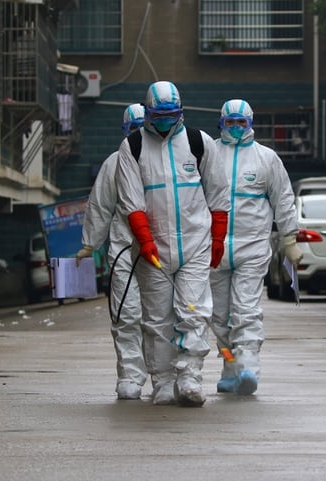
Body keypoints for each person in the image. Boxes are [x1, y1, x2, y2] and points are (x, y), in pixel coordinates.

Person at [115, 81, 230, 407]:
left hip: (195, 243)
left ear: (181, 112)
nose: (165, 120)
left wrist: (218, 237)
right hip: (153, 248)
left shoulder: (198, 142)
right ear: (148, 112)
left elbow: (218, 194)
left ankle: (190, 376)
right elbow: (131, 201)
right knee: (156, 318)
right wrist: (145, 240)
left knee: (193, 311)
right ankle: (163, 381)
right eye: (159, 115)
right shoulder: (133, 146)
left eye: (172, 114)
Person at [209, 98, 302, 395]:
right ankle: (229, 366)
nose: (235, 128)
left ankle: (248, 367)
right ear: (221, 123)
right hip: (214, 248)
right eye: (230, 123)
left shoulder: (266, 158)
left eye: (241, 123)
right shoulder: (209, 154)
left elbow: (283, 199)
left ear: (250, 123)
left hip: (252, 247)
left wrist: (289, 239)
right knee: (218, 319)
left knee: (246, 310)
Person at [74, 103, 147, 400]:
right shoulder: (114, 164)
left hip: (165, 251)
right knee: (126, 313)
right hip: (124, 250)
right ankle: (130, 373)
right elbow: (101, 205)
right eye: (134, 130)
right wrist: (90, 242)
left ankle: (165, 374)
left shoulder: (171, 160)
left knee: (164, 317)